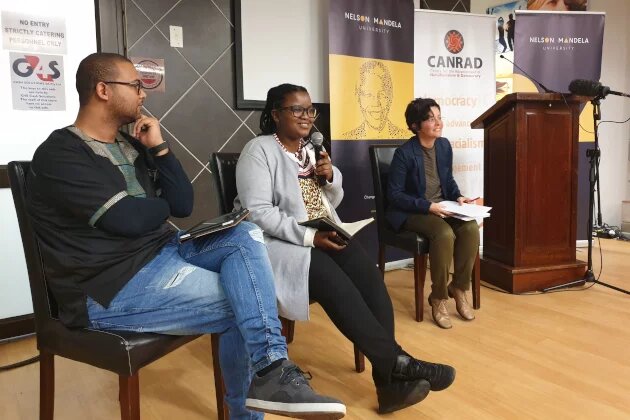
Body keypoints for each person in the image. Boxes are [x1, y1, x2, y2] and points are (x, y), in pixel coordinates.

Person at [26, 53, 345, 420]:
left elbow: (182, 202)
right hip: (108, 288)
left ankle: (271, 372)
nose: (143, 94)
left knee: (244, 233)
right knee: (249, 297)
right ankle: (260, 393)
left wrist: (159, 149)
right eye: (134, 85)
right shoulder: (61, 153)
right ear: (103, 90)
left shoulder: (131, 146)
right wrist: (157, 206)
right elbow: (125, 219)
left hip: (161, 252)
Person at [234, 84, 456, 414]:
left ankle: (388, 383)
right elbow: (258, 211)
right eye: (296, 110)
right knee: (335, 282)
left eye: (310, 110)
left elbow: (327, 203)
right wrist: (309, 238)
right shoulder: (259, 150)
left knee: (371, 283)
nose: (306, 116)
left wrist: (330, 179)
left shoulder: (308, 151)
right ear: (274, 114)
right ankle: (397, 363)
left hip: (320, 231)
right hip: (277, 243)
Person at [386, 98, 480, 330]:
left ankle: (458, 287)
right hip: (413, 211)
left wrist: (458, 197)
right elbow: (394, 196)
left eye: (439, 117)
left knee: (469, 228)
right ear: (416, 125)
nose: (438, 123)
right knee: (444, 234)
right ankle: (438, 297)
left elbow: (447, 179)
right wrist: (428, 206)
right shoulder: (404, 154)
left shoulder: (444, 145)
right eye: (431, 119)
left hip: (443, 206)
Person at [341, 60, 408, 140]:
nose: (376, 103)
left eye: (382, 94)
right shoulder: (348, 138)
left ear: (390, 97)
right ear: (359, 98)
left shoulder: (404, 137)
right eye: (368, 95)